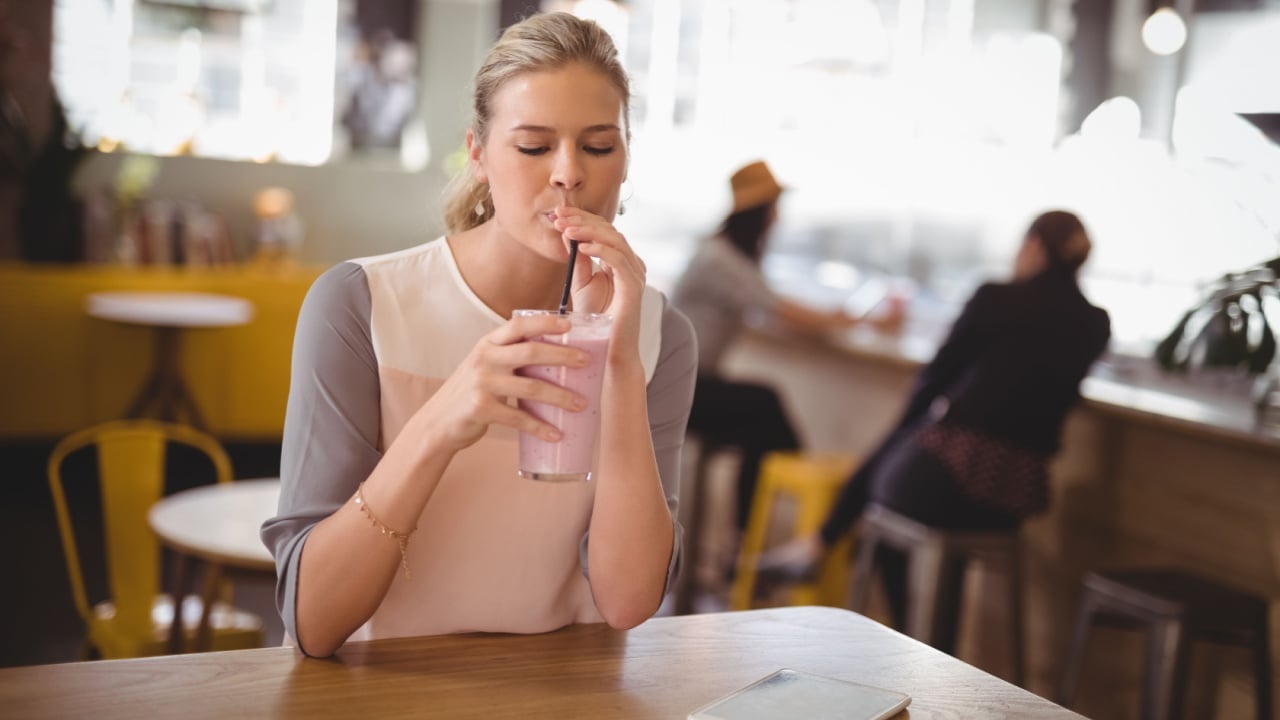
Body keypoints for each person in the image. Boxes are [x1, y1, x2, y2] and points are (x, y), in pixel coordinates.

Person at [261, 12, 697, 658]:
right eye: (533, 146)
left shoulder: (662, 336)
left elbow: (629, 601)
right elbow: (314, 620)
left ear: (625, 160)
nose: (569, 174)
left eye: (599, 146)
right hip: (380, 693)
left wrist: (621, 366)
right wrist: (440, 423)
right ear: (478, 155)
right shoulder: (360, 305)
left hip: (567, 698)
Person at [758, 210, 1110, 652]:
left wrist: (907, 428)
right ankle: (824, 550)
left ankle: (908, 640)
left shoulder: (998, 298)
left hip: (957, 475)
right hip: (1015, 496)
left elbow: (934, 380)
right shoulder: (1096, 323)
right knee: (903, 470)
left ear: (1035, 246)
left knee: (887, 499)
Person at [671, 160, 899, 533]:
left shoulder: (727, 255)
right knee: (766, 406)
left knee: (760, 426)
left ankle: (748, 541)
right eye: (774, 208)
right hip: (679, 389)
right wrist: (864, 321)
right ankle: (755, 536)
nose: (777, 218)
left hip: (691, 383)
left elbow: (776, 308)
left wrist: (839, 317)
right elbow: (783, 310)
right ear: (759, 213)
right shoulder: (721, 259)